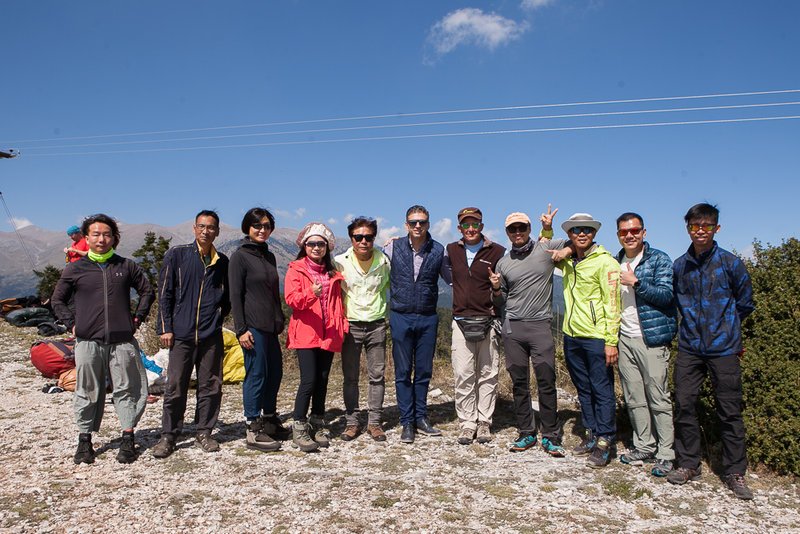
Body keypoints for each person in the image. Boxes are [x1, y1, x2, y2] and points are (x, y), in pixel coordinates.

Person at [667, 203, 755, 500]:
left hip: (724, 349)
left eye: (706, 226)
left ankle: (734, 471)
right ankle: (688, 464)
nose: (700, 231)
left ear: (717, 228)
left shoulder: (731, 263)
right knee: (684, 404)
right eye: (695, 226)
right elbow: (676, 301)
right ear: (688, 229)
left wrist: (726, 327)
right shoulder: (680, 266)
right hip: (690, 347)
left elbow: (745, 302)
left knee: (729, 411)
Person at [51, 213, 154, 464]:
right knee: (86, 390)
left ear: (114, 238)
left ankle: (128, 437)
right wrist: (72, 324)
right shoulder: (75, 268)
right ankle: (84, 440)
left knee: (127, 389)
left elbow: (147, 291)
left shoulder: (126, 266)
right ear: (86, 238)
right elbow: (57, 300)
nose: (101, 239)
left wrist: (137, 319)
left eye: (107, 234)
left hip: (122, 340)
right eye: (96, 234)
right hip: (87, 341)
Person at [490, 206, 570, 455]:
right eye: (512, 229)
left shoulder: (545, 248)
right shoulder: (503, 263)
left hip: (540, 326)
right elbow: (500, 301)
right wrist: (496, 288)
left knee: (546, 380)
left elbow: (576, 243)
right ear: (507, 232)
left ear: (529, 229)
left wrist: (561, 245)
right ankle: (526, 432)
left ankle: (551, 434)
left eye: (522, 227)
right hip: (513, 327)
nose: (517, 232)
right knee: (519, 382)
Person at [151, 210, 231, 458]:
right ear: (194, 229)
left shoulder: (222, 262)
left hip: (211, 335)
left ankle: (204, 431)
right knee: (175, 385)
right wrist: (165, 327)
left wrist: (217, 318)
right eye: (201, 226)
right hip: (181, 334)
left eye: (211, 227)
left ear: (217, 232)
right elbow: (165, 293)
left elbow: (227, 298)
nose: (206, 231)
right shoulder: (178, 255)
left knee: (211, 385)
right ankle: (169, 435)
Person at [613, 212, 677, 477]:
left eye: (635, 231)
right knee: (634, 396)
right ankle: (644, 446)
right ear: (618, 235)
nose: (629, 235)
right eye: (624, 232)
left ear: (644, 232)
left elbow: (667, 296)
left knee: (658, 397)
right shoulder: (615, 261)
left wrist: (636, 282)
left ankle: (666, 453)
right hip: (624, 338)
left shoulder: (659, 259)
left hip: (651, 338)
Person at [556, 213, 621, 469]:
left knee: (602, 390)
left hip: (596, 337)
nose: (581, 234)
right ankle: (591, 433)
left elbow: (613, 303)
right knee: (583, 389)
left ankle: (605, 440)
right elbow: (544, 250)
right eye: (576, 230)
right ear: (569, 235)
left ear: (594, 234)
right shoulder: (568, 262)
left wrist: (611, 341)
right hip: (571, 335)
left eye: (587, 230)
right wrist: (550, 233)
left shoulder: (606, 263)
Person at [384, 205, 451, 444]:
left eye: (422, 222)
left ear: (428, 224)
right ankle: (406, 422)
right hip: (400, 315)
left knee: (423, 371)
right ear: (406, 225)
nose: (418, 226)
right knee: (403, 372)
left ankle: (421, 417)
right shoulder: (391, 248)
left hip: (427, 317)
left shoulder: (439, 250)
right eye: (413, 222)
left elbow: (453, 279)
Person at [228, 208, 290, 453]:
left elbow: (273, 293)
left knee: (274, 374)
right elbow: (235, 295)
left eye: (266, 226)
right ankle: (253, 428)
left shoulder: (269, 256)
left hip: (271, 326)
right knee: (256, 375)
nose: (262, 230)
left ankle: (270, 419)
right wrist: (240, 329)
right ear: (247, 228)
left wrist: (280, 318)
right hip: (252, 327)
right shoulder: (239, 257)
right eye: (257, 225)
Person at [285, 223, 348, 452]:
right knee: (308, 380)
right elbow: (291, 300)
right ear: (304, 246)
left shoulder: (332, 272)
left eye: (320, 244)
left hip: (328, 332)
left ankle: (317, 422)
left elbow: (338, 303)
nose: (316, 247)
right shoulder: (296, 269)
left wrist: (342, 324)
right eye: (311, 243)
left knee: (322, 379)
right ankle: (299, 426)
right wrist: (311, 293)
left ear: (326, 247)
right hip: (306, 332)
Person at [444, 207, 505, 445]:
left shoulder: (498, 251)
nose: (471, 229)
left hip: (488, 320)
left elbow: (502, 294)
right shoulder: (451, 250)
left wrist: (496, 287)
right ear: (459, 228)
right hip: (460, 321)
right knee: (463, 374)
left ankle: (484, 422)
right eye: (466, 225)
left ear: (482, 226)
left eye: (475, 224)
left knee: (488, 373)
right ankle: (467, 423)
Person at [335, 217, 391, 442]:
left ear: (374, 238)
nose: (363, 241)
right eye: (358, 237)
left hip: (377, 324)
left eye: (368, 237)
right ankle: (352, 423)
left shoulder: (384, 261)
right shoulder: (340, 262)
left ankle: (374, 423)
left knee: (377, 376)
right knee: (350, 377)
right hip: (351, 325)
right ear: (351, 239)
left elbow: (389, 286)